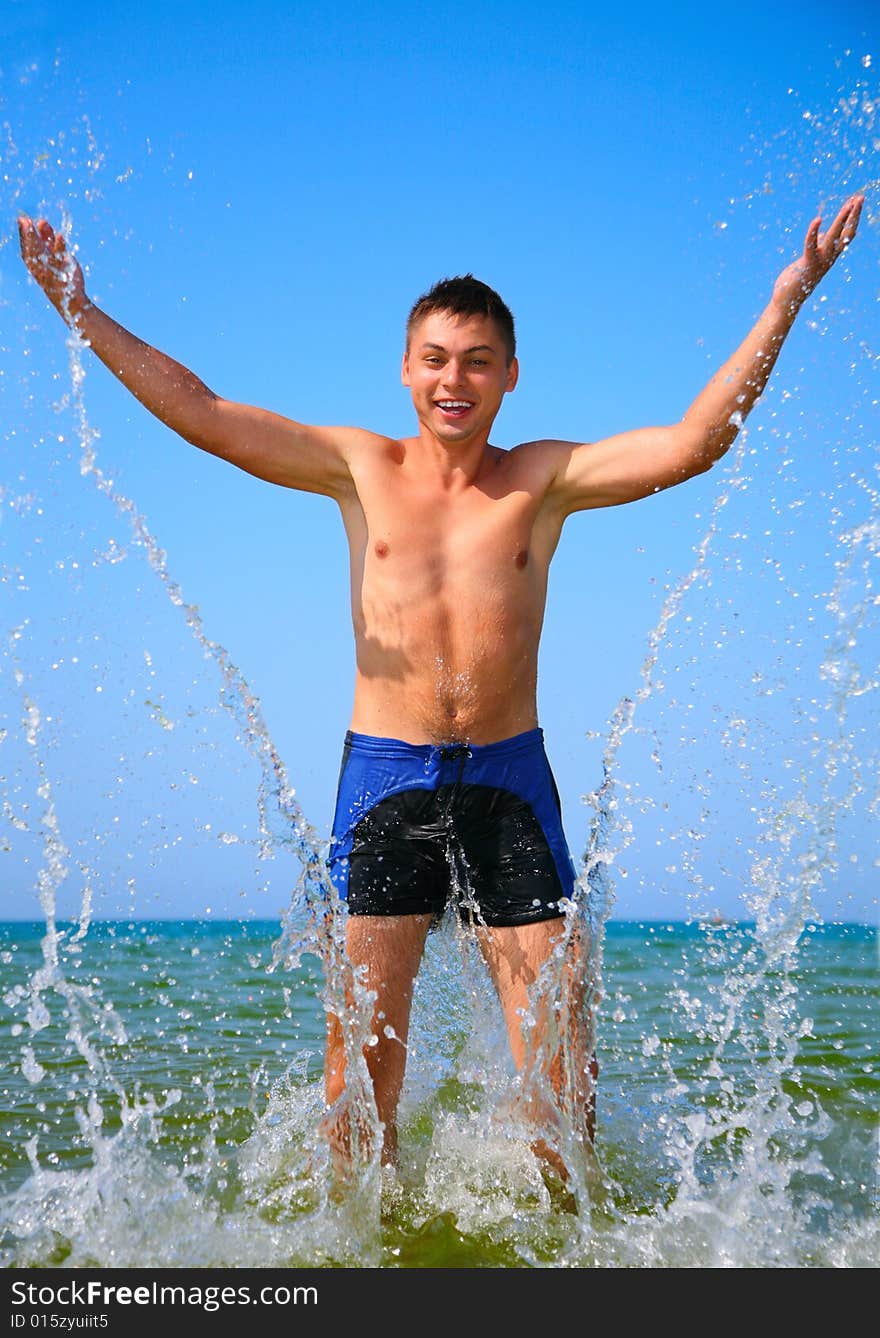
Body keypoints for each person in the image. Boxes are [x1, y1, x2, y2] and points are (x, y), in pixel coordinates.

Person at [17, 195, 864, 1177]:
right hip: (387, 780)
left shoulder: (541, 479)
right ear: (405, 368)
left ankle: (563, 1250)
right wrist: (80, 306)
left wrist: (786, 299)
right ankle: (356, 1254)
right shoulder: (357, 467)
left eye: (474, 360)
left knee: (560, 1073)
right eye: (433, 357)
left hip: (510, 784)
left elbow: (691, 444)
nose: (451, 378)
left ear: (508, 375)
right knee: (360, 1069)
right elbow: (204, 414)